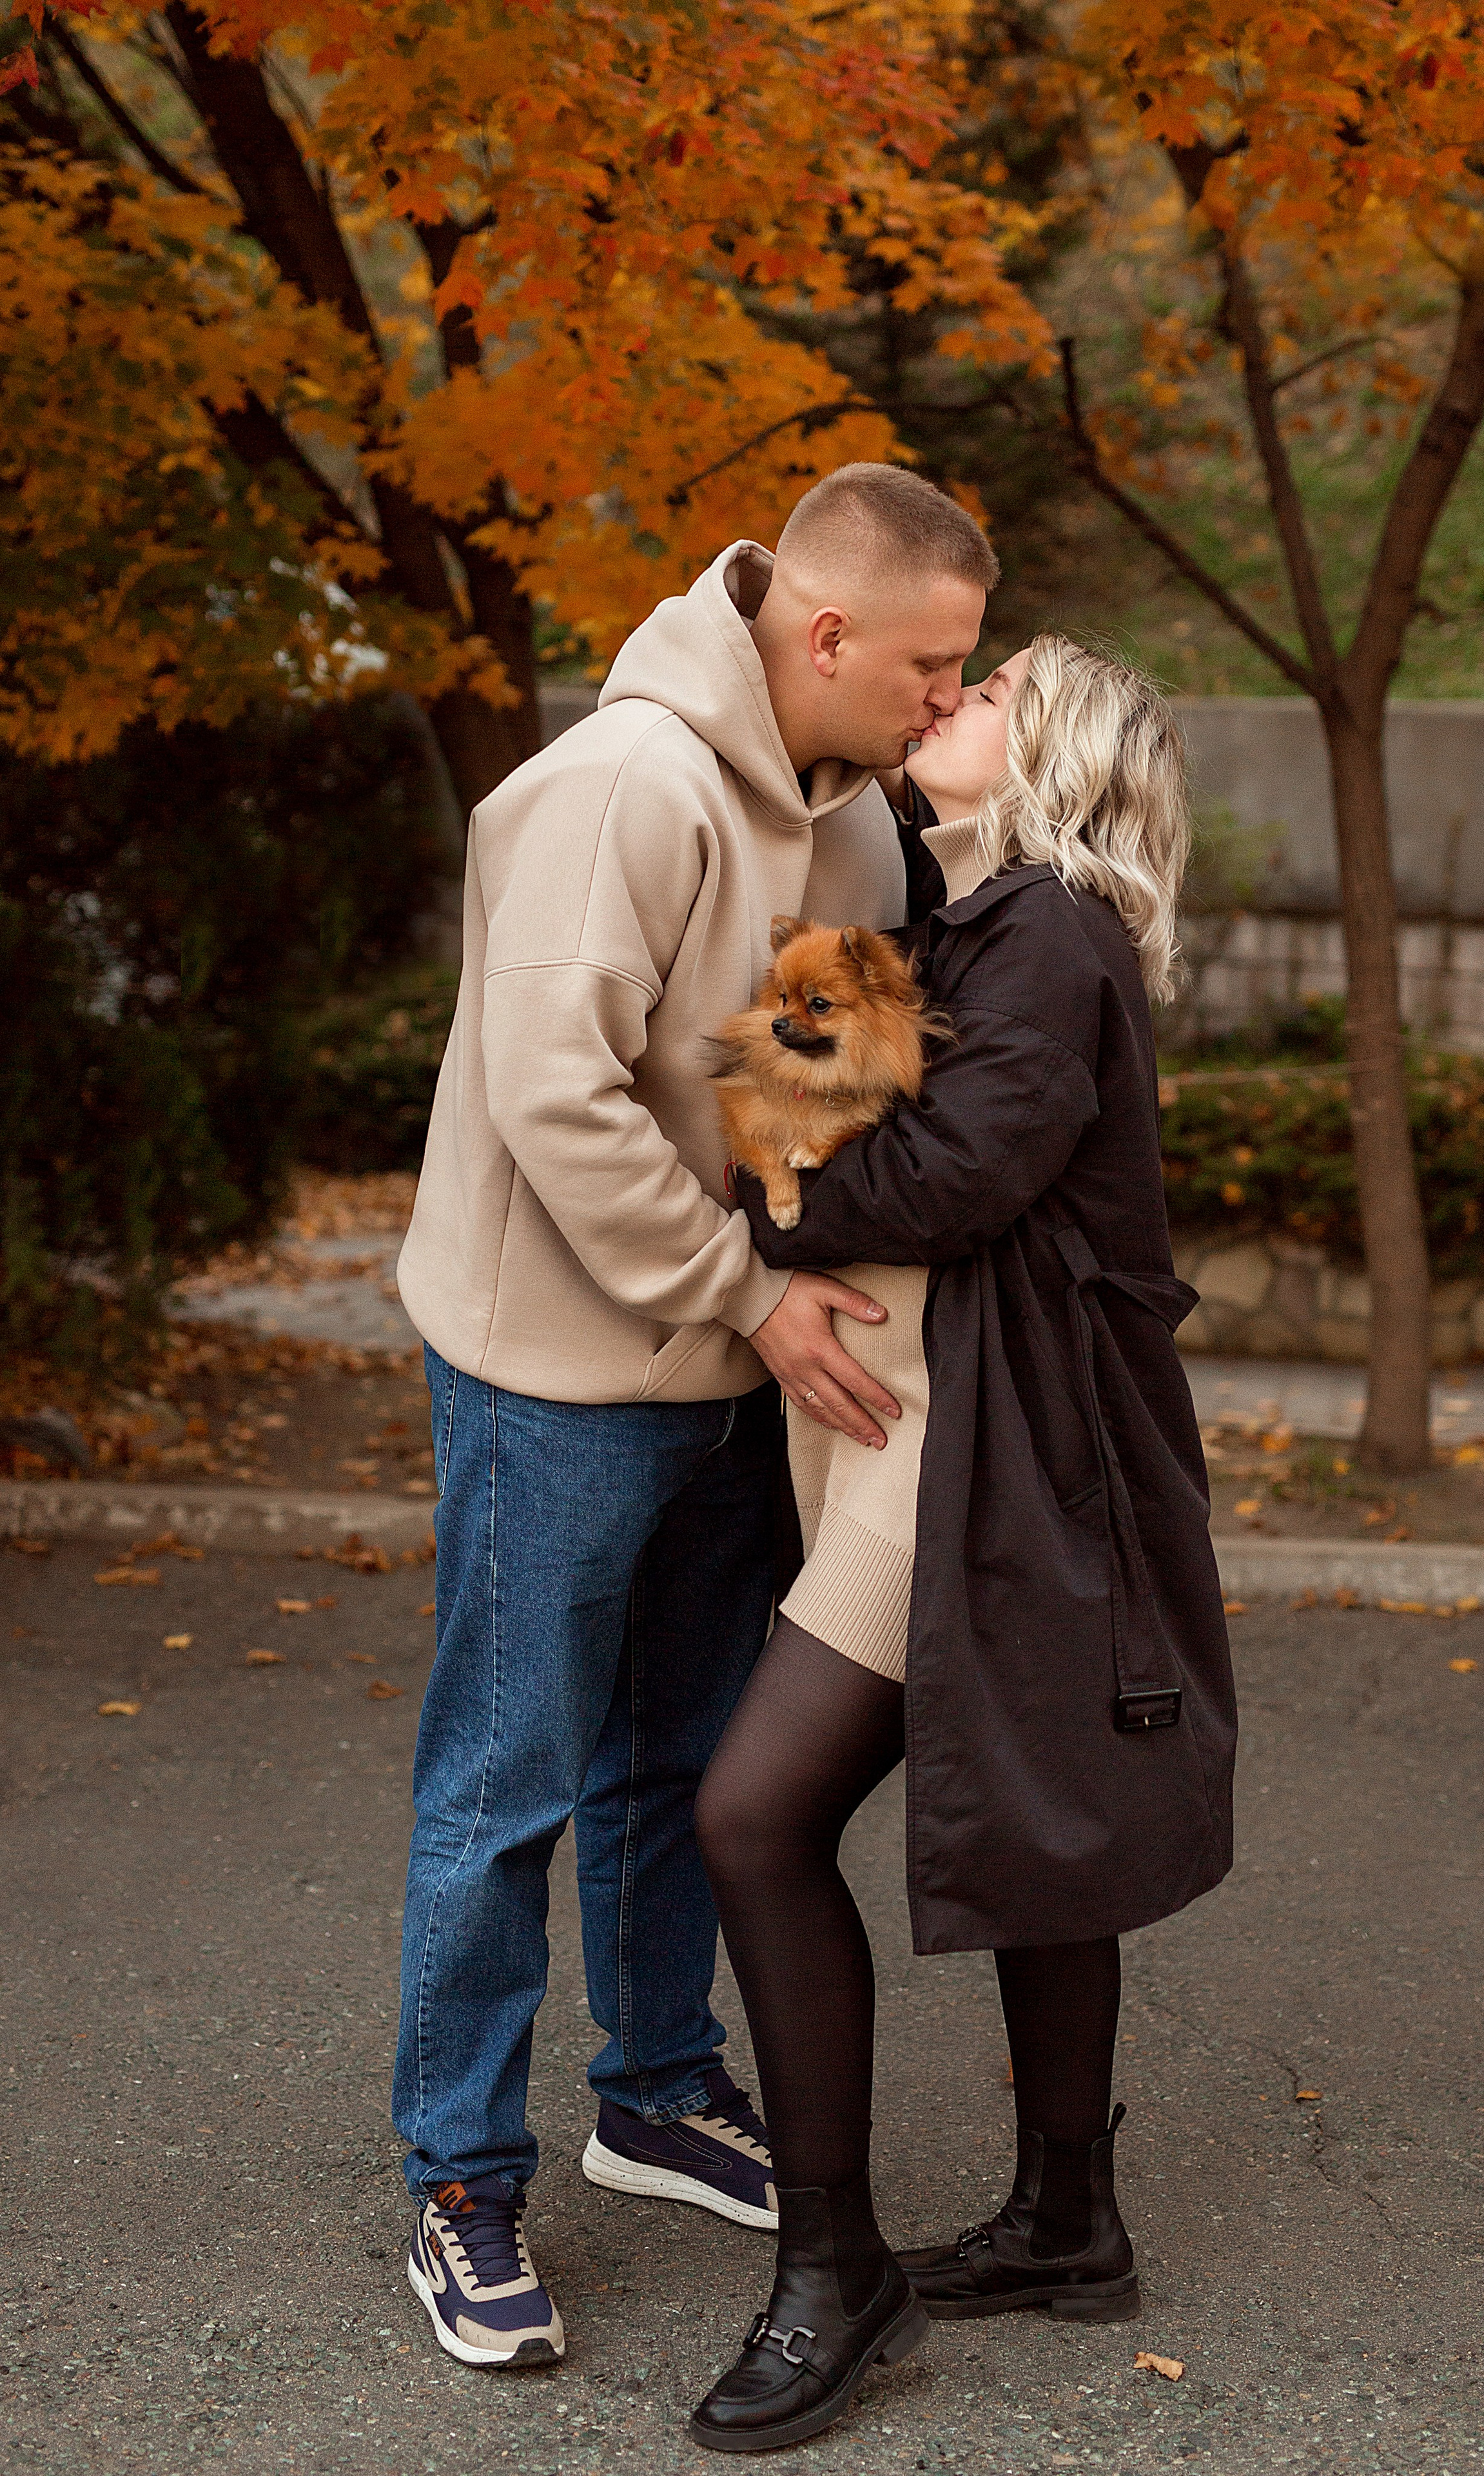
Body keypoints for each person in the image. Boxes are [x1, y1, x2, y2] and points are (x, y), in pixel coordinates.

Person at [391, 466, 1001, 2368]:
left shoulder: (868, 834)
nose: (945, 702)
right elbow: (548, 1094)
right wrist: (744, 1285)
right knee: (511, 1783)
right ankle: (462, 2181)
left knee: (686, 1753)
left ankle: (656, 2085)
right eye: (932, 665)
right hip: (555, 1377)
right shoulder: (619, 791)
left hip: (740, 1378)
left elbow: (838, 1101)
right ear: (826, 635)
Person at [689, 636, 1239, 2452]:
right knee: (1041, 1800)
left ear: (1057, 749)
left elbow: (947, 1176)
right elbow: (801, 1091)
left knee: (754, 1813)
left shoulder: (1055, 933)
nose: (941, 704)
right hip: (923, 1426)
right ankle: (1070, 2218)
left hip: (981, 1445)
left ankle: (833, 2271)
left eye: (984, 689)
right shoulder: (959, 933)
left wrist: (771, 1199)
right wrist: (795, 1102)